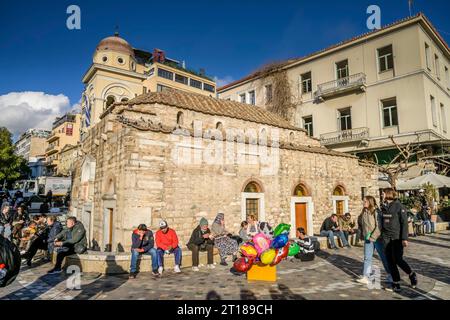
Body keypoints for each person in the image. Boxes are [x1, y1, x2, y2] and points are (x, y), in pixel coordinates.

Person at [381, 188, 417, 292]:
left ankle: (411, 274)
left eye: (383, 193)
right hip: (386, 238)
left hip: (396, 238)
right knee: (390, 261)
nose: (381, 195)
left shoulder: (399, 206)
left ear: (388, 194)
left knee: (398, 260)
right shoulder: (384, 206)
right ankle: (396, 283)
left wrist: (404, 238)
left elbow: (404, 223)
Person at [356, 196, 392, 285]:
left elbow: (378, 226)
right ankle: (366, 277)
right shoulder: (364, 212)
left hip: (377, 238)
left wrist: (372, 236)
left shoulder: (376, 212)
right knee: (367, 258)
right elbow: (362, 224)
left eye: (365, 201)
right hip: (368, 239)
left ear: (370, 202)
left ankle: (390, 274)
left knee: (383, 257)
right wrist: (363, 234)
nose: (363, 202)